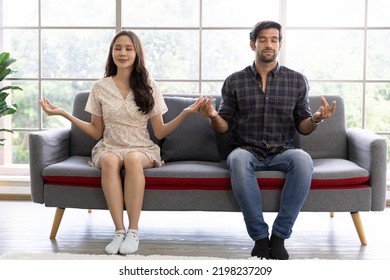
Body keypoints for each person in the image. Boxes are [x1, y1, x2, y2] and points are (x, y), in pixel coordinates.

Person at [39, 30, 201, 255]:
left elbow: (160, 131)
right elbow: (96, 132)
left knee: (133, 159)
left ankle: (133, 231)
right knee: (108, 161)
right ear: (111, 53)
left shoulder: (149, 86)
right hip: (110, 146)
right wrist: (64, 113)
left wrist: (184, 113)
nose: (122, 53)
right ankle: (119, 231)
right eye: (118, 48)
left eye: (128, 48)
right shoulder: (100, 87)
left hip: (141, 148)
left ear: (137, 53)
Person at [197, 21, 336, 260]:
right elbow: (224, 126)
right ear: (253, 44)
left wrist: (316, 118)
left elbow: (303, 126)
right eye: (263, 39)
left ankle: (279, 237)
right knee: (238, 159)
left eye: (274, 39)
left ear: (280, 44)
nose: (268, 44)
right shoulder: (234, 81)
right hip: (246, 150)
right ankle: (260, 238)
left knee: (303, 160)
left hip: (283, 151)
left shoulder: (296, 81)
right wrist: (212, 116)